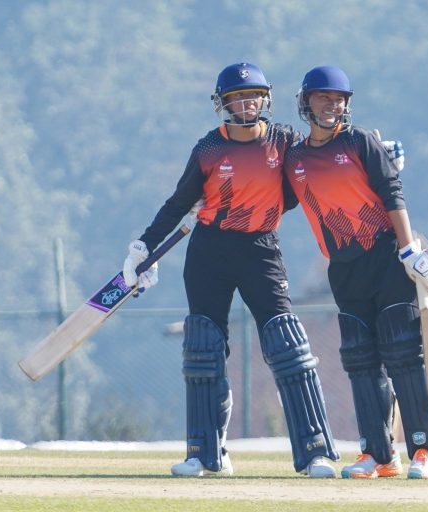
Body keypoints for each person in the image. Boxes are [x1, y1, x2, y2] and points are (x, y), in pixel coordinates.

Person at [122, 63, 339, 478]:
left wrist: (374, 155)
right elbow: (177, 203)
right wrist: (143, 249)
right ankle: (205, 453)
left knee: (287, 345)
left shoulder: (284, 141)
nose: (247, 104)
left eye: (253, 96)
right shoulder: (208, 149)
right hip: (210, 251)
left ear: (266, 99)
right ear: (223, 104)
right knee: (204, 349)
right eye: (238, 98)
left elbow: (315, 171)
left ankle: (315, 452)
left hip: (261, 250)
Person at [282, 65, 428, 479]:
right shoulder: (295, 159)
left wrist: (409, 250)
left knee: (403, 352)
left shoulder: (360, 142)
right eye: (323, 97)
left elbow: (393, 194)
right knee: (360, 359)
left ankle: (426, 449)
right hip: (343, 268)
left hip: (386, 256)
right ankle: (378, 453)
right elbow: (272, 195)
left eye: (339, 99)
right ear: (305, 102)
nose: (332, 105)